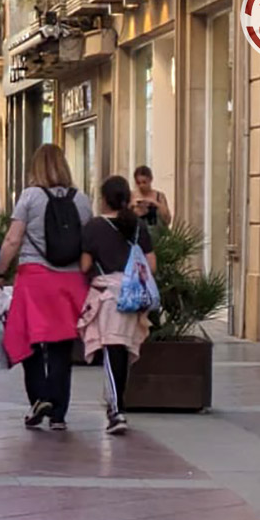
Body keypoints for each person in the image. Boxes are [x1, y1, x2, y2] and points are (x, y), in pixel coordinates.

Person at [0, 143, 92, 432]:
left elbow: (12, 240)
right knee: (61, 346)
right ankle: (58, 413)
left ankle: (39, 398)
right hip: (71, 281)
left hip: (34, 278)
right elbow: (88, 242)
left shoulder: (30, 197)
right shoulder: (82, 200)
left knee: (30, 341)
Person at [80, 176, 156, 435]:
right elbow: (151, 265)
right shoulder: (137, 226)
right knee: (122, 350)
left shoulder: (93, 227)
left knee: (112, 351)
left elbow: (85, 266)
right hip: (134, 296)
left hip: (109, 297)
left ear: (103, 199)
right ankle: (117, 403)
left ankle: (116, 409)